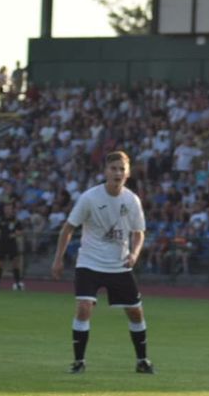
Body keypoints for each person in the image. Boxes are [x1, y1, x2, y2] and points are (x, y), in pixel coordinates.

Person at [51, 151, 153, 374]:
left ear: (127, 173)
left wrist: (134, 254)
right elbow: (68, 228)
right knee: (84, 307)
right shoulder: (90, 198)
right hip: (90, 262)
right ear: (105, 171)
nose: (117, 172)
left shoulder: (132, 200)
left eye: (121, 169)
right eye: (113, 168)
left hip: (119, 265)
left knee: (136, 313)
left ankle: (142, 361)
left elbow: (139, 232)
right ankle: (79, 362)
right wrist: (58, 259)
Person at [0, 202, 25, 290]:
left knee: (15, 263)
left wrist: (14, 234)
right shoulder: (0, 220)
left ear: (12, 210)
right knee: (0, 264)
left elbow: (20, 231)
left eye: (9, 208)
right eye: (6, 208)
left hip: (12, 244)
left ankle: (17, 283)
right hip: (1, 244)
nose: (7, 210)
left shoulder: (16, 220)